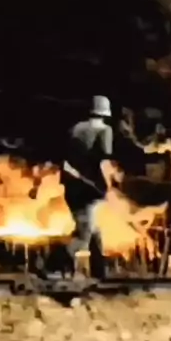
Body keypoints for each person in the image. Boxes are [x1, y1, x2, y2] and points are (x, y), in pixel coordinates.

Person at [62, 95, 119, 280]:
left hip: (72, 187)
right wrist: (111, 185)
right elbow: (105, 161)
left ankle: (99, 272)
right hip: (91, 190)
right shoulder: (105, 130)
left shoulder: (75, 129)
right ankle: (55, 265)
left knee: (94, 230)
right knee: (84, 234)